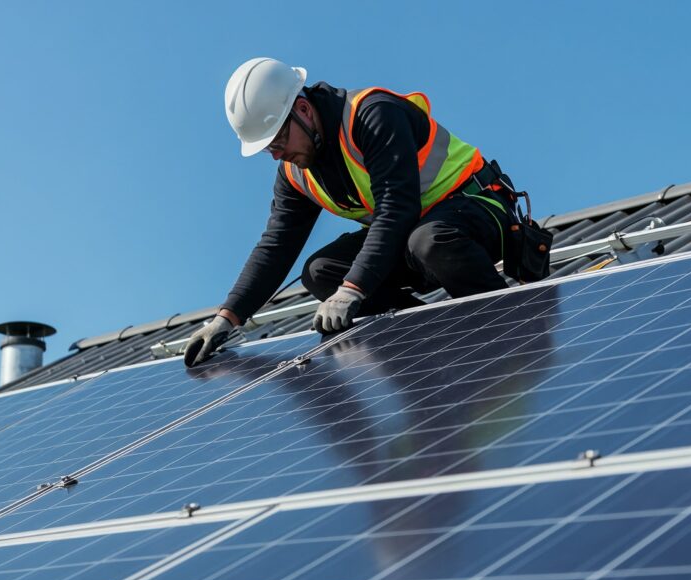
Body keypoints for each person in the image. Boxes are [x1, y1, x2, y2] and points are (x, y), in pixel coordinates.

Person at [184, 57, 523, 367]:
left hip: (478, 208)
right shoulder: (295, 172)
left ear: (302, 109)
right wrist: (228, 316)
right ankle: (430, 344)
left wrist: (353, 289)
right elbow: (277, 245)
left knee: (428, 241)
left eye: (278, 140)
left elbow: (396, 206)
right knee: (320, 272)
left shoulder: (371, 114)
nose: (276, 155)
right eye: (268, 149)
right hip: (413, 235)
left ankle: (505, 327)